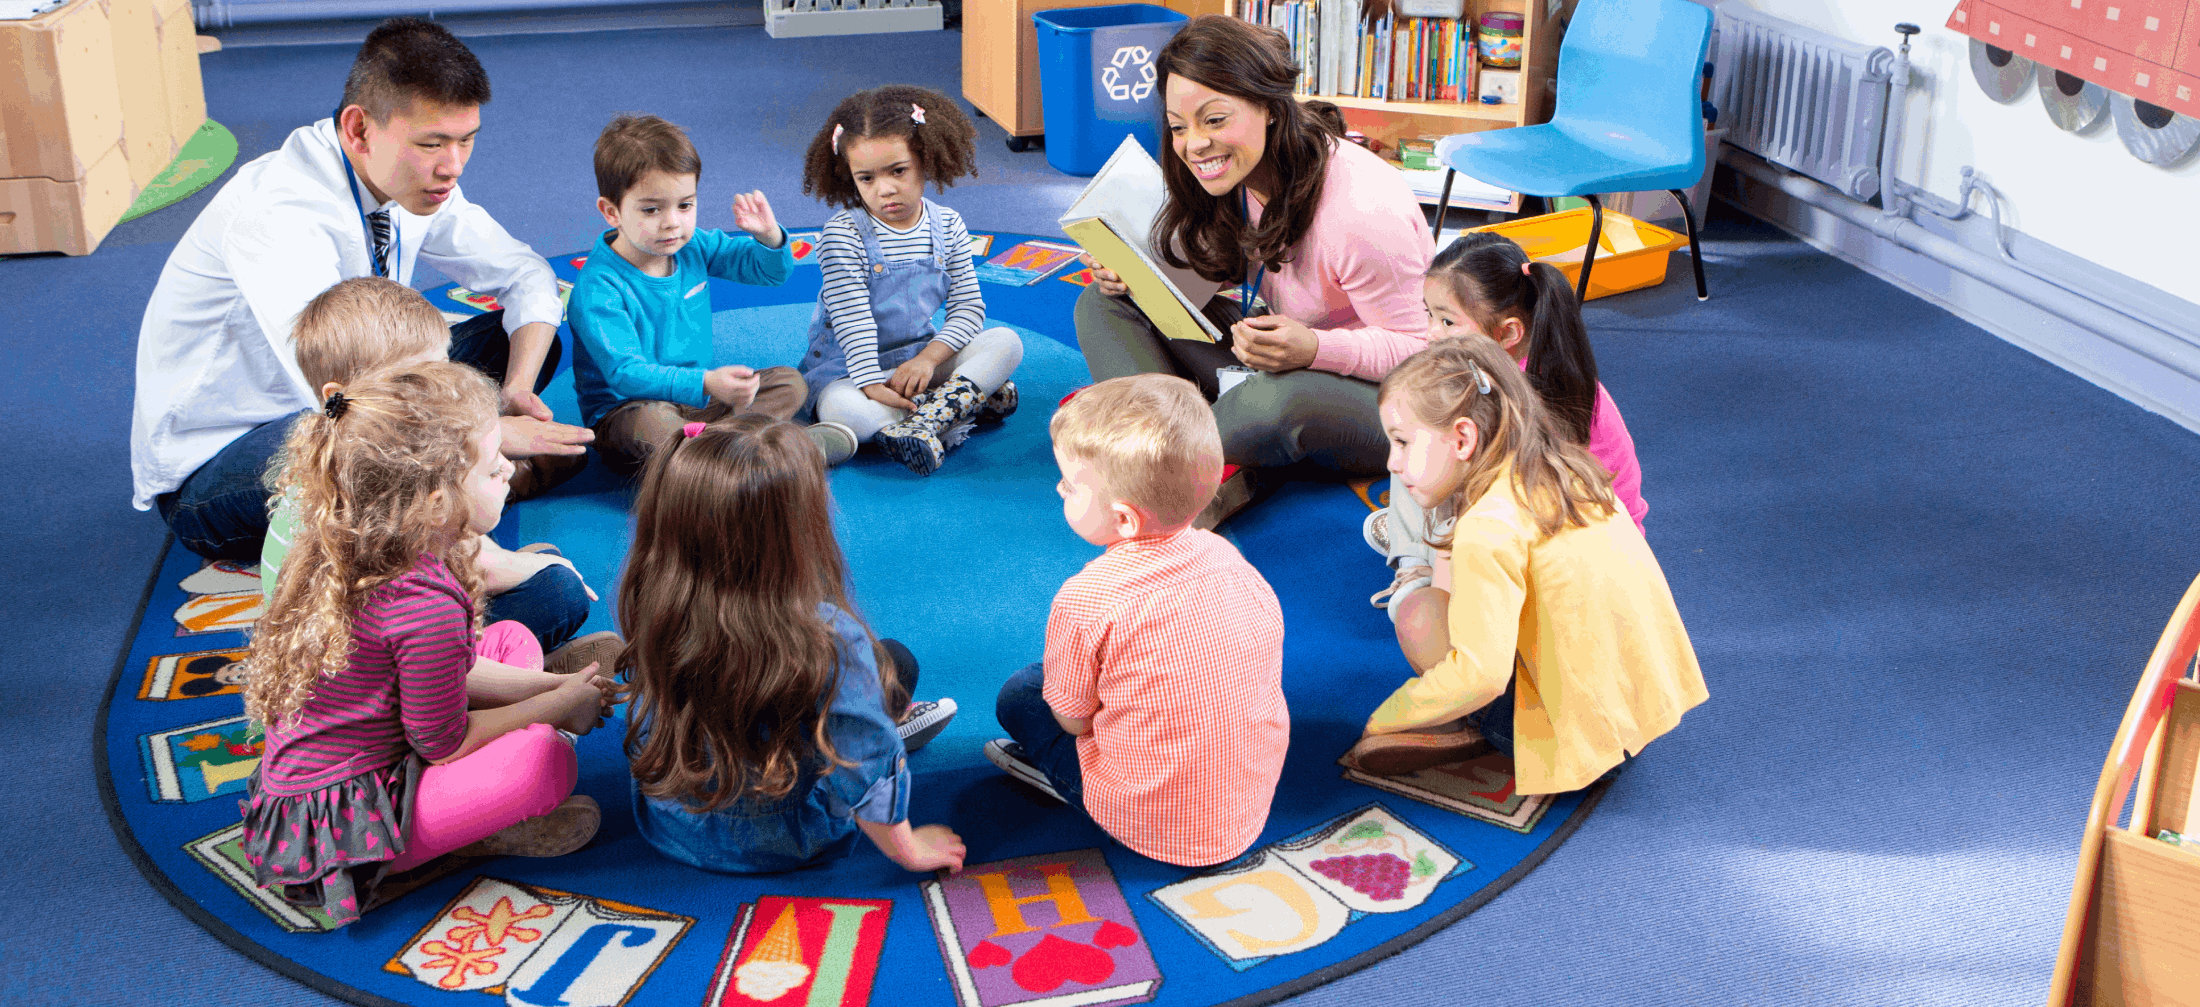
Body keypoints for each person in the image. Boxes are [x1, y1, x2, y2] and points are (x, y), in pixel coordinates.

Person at [132, 16, 593, 561]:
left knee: (511, 339)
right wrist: (482, 427)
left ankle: (450, 491)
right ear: (358, 129)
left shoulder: (412, 179)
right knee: (369, 447)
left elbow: (526, 274)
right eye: (432, 143)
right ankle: (463, 492)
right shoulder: (278, 214)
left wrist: (513, 389)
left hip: (355, 395)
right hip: (227, 458)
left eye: (466, 141)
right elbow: (343, 402)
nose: (452, 167)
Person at [240, 362, 620, 928]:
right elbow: (444, 743)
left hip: (344, 768)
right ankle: (450, 846)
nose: (512, 474)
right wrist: (554, 706)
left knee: (510, 637)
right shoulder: (424, 606)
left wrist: (556, 685)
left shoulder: (374, 537)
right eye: (494, 471)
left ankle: (519, 738)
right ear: (435, 503)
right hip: (341, 828)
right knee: (543, 762)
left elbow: (459, 673)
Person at [1074, 15, 1432, 525]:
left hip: (1385, 401)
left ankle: (1154, 453)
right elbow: (1237, 272)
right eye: (1179, 126)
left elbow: (1424, 356)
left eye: (1214, 120)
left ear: (1267, 107)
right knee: (1106, 303)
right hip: (1277, 354)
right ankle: (1186, 454)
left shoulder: (1363, 211)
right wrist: (1135, 272)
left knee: (1274, 404)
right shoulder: (1238, 172)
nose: (1194, 144)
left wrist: (1315, 349)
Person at [1344, 337, 1706, 792]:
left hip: (1584, 743)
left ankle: (1477, 729)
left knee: (1420, 613)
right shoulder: (1565, 468)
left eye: (1401, 442)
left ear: (1463, 438)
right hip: (1646, 709)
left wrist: (1387, 716)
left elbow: (1482, 675)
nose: (1392, 463)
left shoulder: (1487, 528)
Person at [618, 415, 964, 874]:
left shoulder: (656, 594)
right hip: (784, 834)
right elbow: (863, 762)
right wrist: (910, 849)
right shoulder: (829, 634)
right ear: (794, 530)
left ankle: (878, 717)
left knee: (886, 664)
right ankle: (885, 723)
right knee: (891, 666)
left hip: (676, 822)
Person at [987, 375, 1288, 868]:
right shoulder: (1231, 558)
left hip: (1149, 817)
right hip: (1245, 803)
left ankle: (1070, 787)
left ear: (1125, 520)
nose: (1057, 487)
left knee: (1021, 691)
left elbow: (1073, 720)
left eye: (1068, 484)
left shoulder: (1086, 598)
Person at [259, 277, 614, 661]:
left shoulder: (343, 442)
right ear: (339, 393)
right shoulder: (389, 472)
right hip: (361, 673)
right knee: (557, 589)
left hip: (350, 642)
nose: (440, 387)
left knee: (539, 560)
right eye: (416, 380)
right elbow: (483, 566)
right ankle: (504, 683)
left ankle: (509, 671)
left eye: (443, 368)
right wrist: (548, 566)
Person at [1366, 233, 1649, 640]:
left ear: (1508, 333)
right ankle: (1414, 550)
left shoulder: (1522, 400)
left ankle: (1416, 557)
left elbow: (1504, 503)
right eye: (1429, 315)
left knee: (1427, 446)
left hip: (1576, 557)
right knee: (1416, 434)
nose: (1430, 334)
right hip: (1584, 537)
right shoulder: (1514, 369)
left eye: (1447, 322)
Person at [569, 114, 855, 476]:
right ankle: (776, 454)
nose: (672, 222)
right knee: (656, 425)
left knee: (788, 383)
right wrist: (706, 382)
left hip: (699, 401)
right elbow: (625, 374)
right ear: (611, 212)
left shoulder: (692, 245)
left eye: (685, 205)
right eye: (651, 209)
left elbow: (768, 273)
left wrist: (769, 239)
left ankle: (718, 455)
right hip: (629, 413)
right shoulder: (599, 288)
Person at [798, 85, 1024, 476]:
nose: (884, 189)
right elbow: (853, 322)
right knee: (843, 409)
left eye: (898, 171)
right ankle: (955, 404)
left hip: (917, 363)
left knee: (1006, 342)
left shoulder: (948, 225)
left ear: (926, 161)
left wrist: (927, 359)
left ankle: (923, 422)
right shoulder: (842, 234)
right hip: (850, 371)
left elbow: (969, 308)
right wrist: (871, 384)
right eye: (866, 179)